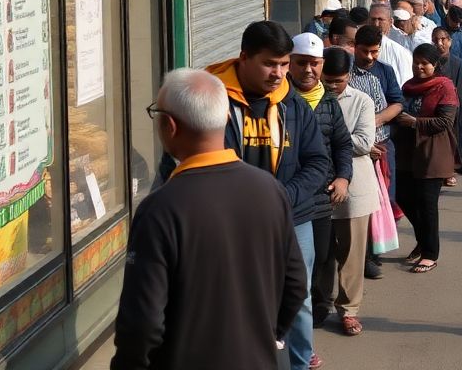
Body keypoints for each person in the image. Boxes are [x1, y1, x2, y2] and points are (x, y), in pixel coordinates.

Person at [112, 69, 306, 370]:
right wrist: (269, 336)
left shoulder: (160, 209)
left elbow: (143, 323)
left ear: (169, 125)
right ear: (227, 118)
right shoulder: (271, 191)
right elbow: (295, 284)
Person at [180, 21, 328, 370]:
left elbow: (318, 162)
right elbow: (206, 162)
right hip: (232, 223)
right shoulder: (213, 101)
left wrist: (284, 198)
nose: (278, 74)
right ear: (244, 57)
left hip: (294, 220)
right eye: (269, 64)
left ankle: (299, 364)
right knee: (234, 297)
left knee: (299, 298)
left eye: (283, 64)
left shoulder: (293, 104)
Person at [290, 34, 354, 365]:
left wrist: (343, 176)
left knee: (318, 265)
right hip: (286, 202)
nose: (309, 70)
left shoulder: (328, 101)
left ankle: (313, 320)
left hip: (319, 202)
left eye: (315, 64)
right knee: (293, 278)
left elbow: (342, 144)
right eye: (302, 62)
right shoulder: (279, 99)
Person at [312, 49, 378, 339]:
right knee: (322, 252)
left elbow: (364, 142)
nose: (331, 86)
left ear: (348, 77)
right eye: (328, 79)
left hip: (354, 189)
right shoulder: (309, 98)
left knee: (351, 254)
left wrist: (325, 139)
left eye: (338, 81)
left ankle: (349, 310)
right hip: (317, 187)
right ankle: (320, 303)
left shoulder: (361, 101)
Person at [394, 43, 458, 274]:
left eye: (424, 63)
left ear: (435, 65)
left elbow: (445, 122)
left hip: (433, 152)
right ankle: (424, 239)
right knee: (402, 195)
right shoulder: (408, 86)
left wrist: (415, 122)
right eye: (416, 63)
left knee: (427, 204)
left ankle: (431, 254)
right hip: (407, 151)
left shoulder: (444, 86)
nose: (419, 67)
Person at [350, 25, 405, 281]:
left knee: (385, 199)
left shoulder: (385, 71)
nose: (370, 57)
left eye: (375, 52)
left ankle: (375, 252)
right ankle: (362, 258)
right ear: (354, 47)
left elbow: (397, 103)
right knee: (361, 202)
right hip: (354, 150)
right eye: (365, 51)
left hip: (383, 146)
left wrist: (376, 120)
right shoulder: (344, 72)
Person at [432, 26, 462, 182]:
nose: (439, 43)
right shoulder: (430, 62)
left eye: (443, 39)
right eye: (436, 40)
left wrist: (458, 110)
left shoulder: (459, 64)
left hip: (454, 106)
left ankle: (460, 163)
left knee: (458, 132)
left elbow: (461, 92)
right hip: (435, 107)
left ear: (449, 41)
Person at [368, 3, 413, 85]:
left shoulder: (402, 54)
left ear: (390, 21)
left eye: (380, 20)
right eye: (373, 19)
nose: (376, 24)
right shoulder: (357, 49)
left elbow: (405, 83)